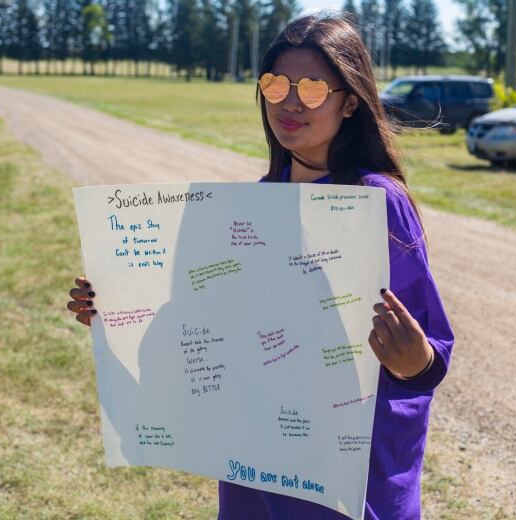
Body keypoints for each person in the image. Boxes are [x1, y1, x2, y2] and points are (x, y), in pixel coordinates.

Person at [67, 12, 455, 520]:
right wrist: (115, 311)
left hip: (345, 472)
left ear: (350, 101)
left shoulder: (375, 201)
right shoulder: (250, 207)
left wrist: (414, 363)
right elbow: (201, 325)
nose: (290, 102)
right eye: (275, 85)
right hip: (258, 467)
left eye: (313, 88)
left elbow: (427, 353)